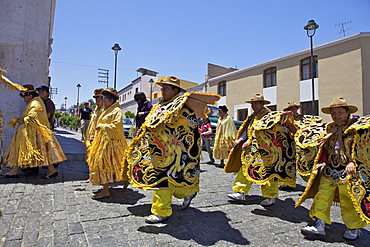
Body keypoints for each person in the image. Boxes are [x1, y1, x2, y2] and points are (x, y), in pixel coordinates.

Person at [125, 75, 220, 224]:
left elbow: (190, 128)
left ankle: (173, 203)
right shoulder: (160, 105)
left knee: (174, 178)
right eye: (162, 88)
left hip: (175, 151)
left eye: (166, 88)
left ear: (176, 90)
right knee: (161, 179)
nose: (163, 91)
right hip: (158, 150)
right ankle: (162, 210)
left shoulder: (183, 105)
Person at [298, 97, 369, 240]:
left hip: (348, 172)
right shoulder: (330, 128)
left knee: (348, 200)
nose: (336, 116)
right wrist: (323, 161)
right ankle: (319, 224)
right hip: (330, 169)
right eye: (333, 113)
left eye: (339, 112)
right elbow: (325, 148)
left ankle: (353, 227)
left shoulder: (357, 128)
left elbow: (362, 148)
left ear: (347, 112)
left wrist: (353, 162)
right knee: (322, 196)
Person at [2, 84, 66, 178]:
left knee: (32, 151)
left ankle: (15, 171)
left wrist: (22, 120)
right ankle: (50, 170)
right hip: (33, 132)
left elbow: (33, 116)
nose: (24, 99)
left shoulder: (36, 103)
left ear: (29, 95)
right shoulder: (35, 102)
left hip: (35, 133)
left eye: (24, 97)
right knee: (38, 151)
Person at [227, 93, 280, 206]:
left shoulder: (269, 117)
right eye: (252, 103)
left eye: (256, 103)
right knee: (246, 168)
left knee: (267, 172)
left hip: (267, 151)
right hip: (252, 150)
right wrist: (240, 140)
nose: (254, 106)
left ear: (262, 104)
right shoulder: (253, 116)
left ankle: (271, 196)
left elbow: (268, 134)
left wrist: (249, 141)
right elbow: (248, 129)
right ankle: (240, 191)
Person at [86, 88, 128, 199]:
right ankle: (108, 187)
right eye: (102, 101)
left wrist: (103, 127)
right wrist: (94, 135)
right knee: (105, 164)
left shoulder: (116, 111)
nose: (103, 103)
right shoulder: (106, 110)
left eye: (105, 101)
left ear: (111, 100)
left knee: (110, 164)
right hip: (102, 141)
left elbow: (117, 126)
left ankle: (107, 189)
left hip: (112, 144)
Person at [21, 85, 57, 174]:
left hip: (42, 129)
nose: (40, 93)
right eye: (39, 91)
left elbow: (46, 116)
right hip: (38, 128)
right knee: (38, 149)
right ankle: (34, 168)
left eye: (43, 91)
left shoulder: (47, 102)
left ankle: (52, 169)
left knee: (43, 150)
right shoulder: (39, 101)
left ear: (48, 93)